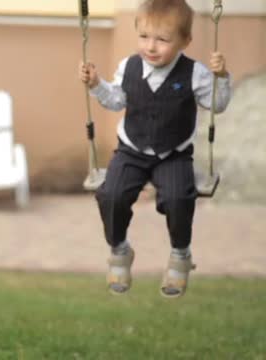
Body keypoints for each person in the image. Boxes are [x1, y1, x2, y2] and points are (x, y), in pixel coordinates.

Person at [78, 0, 231, 297]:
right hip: (131, 150)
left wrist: (221, 78)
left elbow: (217, 104)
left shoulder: (195, 73)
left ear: (185, 41)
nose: (151, 46)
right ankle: (119, 249)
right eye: (144, 36)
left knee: (178, 197)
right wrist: (96, 84)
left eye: (162, 39)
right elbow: (115, 101)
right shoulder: (129, 67)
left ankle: (180, 255)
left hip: (173, 154)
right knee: (111, 194)